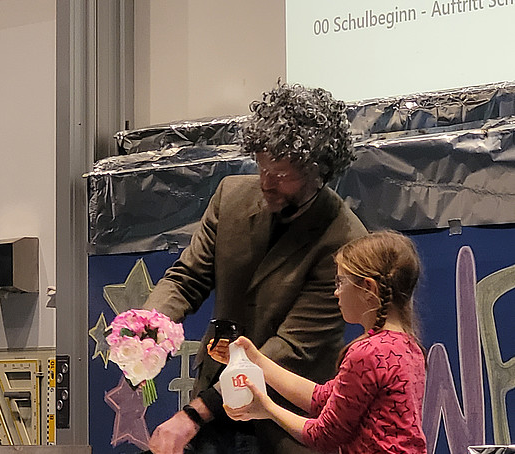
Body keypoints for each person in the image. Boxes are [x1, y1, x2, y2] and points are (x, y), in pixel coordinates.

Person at [145, 82, 368, 454]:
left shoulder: (345, 240)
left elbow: (289, 349)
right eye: (262, 166)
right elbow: (187, 279)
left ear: (320, 170)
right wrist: (146, 325)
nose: (266, 182)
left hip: (283, 419)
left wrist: (193, 416)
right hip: (215, 402)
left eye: (281, 175)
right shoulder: (230, 196)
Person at [209, 231, 427, 454]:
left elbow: (323, 435)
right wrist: (254, 359)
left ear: (368, 288)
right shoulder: (409, 348)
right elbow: (321, 398)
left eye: (341, 282)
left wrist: (267, 408)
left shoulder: (368, 353)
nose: (336, 292)